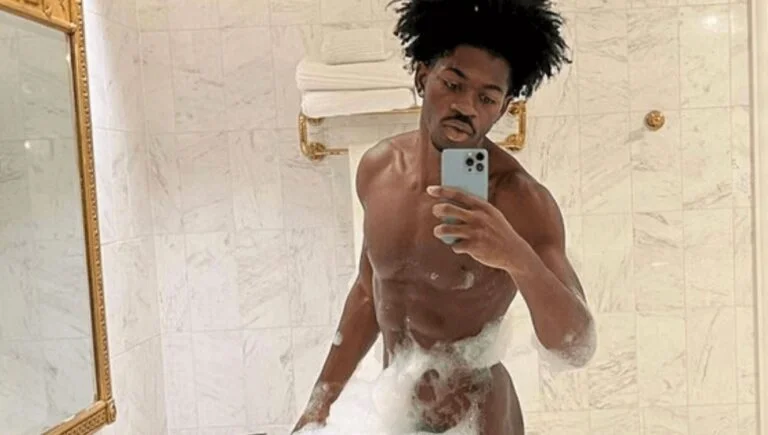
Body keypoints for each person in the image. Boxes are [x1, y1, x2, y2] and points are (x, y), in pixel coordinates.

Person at [292, 0, 596, 433]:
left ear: (503, 108)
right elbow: (367, 292)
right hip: (397, 411)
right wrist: (319, 403)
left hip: (478, 419)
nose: (466, 106)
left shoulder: (518, 199)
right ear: (422, 77)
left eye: (486, 98)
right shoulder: (378, 170)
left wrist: (516, 256)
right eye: (453, 84)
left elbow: (575, 346)